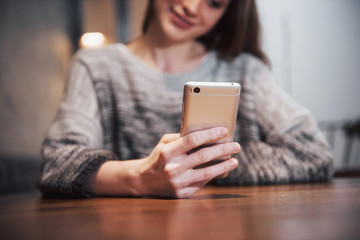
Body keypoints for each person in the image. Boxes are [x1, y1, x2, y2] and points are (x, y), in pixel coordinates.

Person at [36, 0, 334, 198]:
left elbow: (313, 154)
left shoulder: (245, 70)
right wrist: (140, 177)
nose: (191, 6)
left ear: (227, 13)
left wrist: (211, 166)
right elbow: (58, 163)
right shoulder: (95, 66)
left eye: (214, 2)